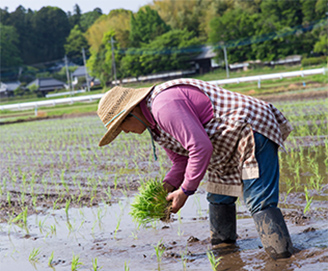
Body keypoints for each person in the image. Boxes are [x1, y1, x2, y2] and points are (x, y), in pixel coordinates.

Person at [97, 78, 294, 260]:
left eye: (121, 127)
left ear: (131, 112)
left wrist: (185, 191)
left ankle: (282, 258)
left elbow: (200, 147)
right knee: (219, 197)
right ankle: (225, 256)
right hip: (223, 143)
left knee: (259, 200)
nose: (124, 132)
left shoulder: (163, 107)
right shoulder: (154, 124)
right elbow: (180, 161)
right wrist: (166, 187)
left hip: (248, 128)